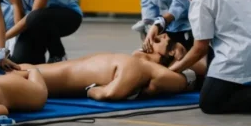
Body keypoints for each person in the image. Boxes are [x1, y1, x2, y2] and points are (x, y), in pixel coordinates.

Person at [20, 34, 199, 101]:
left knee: (22, 73)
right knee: (23, 70)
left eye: (160, 39)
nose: (154, 37)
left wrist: (92, 90)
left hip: (38, 79)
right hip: (40, 72)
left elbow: (110, 93)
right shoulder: (133, 62)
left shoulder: (140, 67)